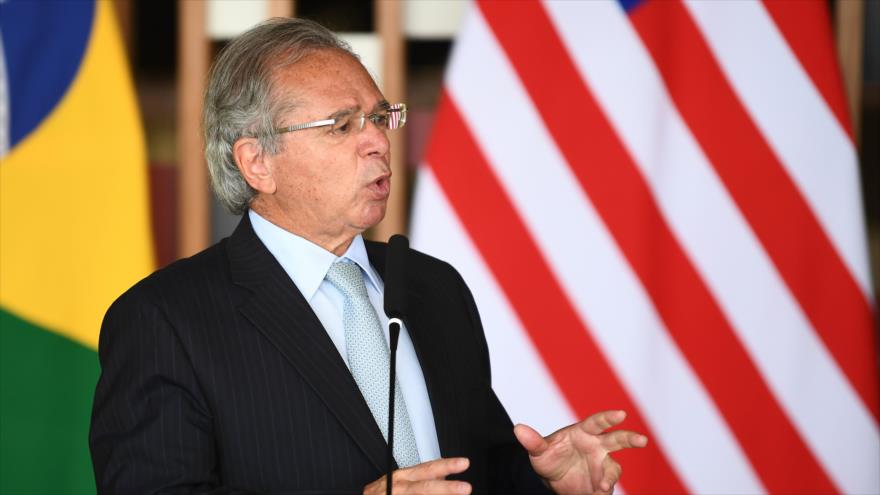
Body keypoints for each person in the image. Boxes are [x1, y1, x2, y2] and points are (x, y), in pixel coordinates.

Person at [89, 18, 647, 494]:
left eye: (381, 117)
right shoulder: (165, 320)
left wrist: (546, 483)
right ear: (257, 163)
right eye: (341, 125)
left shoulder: (433, 288)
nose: (377, 141)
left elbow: (476, 471)